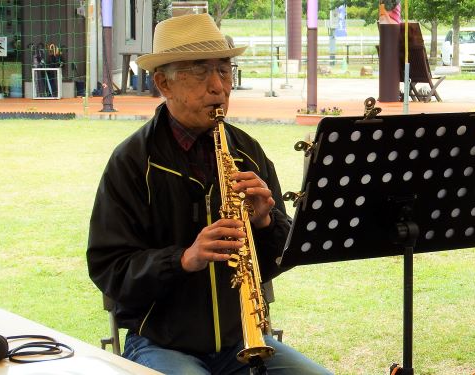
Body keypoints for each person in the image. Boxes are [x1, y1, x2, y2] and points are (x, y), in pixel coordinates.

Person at [86, 13, 331, 375]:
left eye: (225, 70)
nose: (219, 86)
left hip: (242, 341)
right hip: (160, 342)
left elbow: (278, 258)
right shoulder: (133, 162)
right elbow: (109, 269)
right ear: (163, 83)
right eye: (200, 71)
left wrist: (265, 223)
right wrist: (185, 258)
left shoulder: (248, 152)